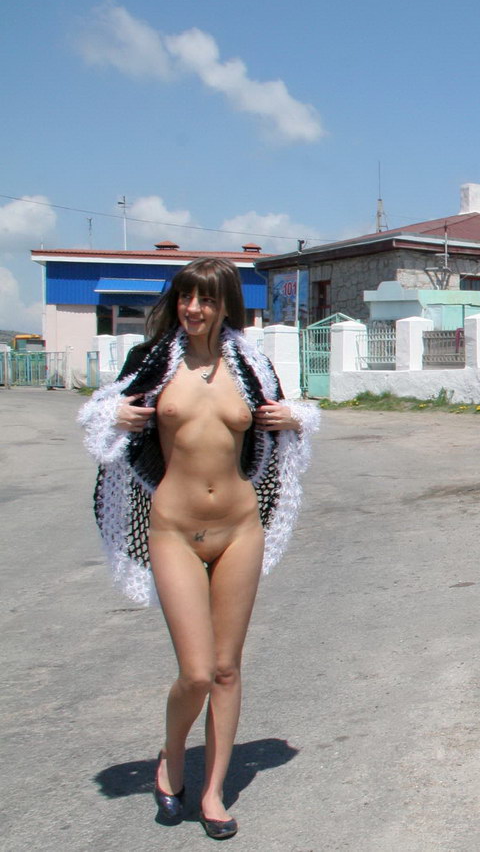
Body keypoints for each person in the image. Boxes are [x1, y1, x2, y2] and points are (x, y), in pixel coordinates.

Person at [79, 257, 318, 840]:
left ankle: (212, 791)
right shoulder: (152, 359)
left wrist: (294, 418)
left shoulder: (252, 364)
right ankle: (170, 758)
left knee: (226, 670)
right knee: (195, 672)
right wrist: (116, 414)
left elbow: (295, 414)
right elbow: (97, 416)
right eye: (187, 297)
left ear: (224, 304)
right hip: (174, 531)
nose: (194, 309)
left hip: (239, 530)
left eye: (206, 299)